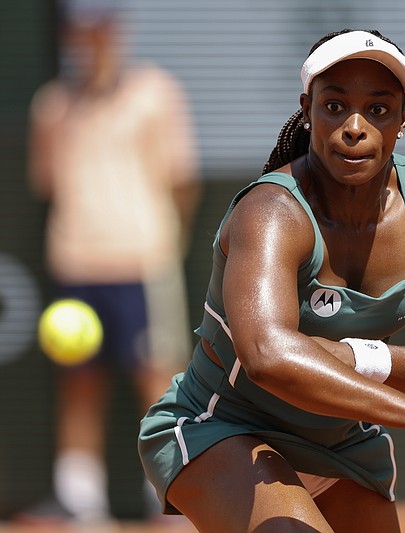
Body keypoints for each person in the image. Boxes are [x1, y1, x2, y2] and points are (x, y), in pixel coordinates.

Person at [138, 28, 405, 532]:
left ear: (403, 119)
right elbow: (268, 357)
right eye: (335, 106)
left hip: (343, 445)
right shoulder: (270, 211)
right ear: (307, 109)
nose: (354, 127)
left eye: (378, 109)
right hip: (222, 426)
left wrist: (359, 357)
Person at [25, 0, 200, 523]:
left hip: (141, 261)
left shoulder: (156, 93)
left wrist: (165, 240)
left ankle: (171, 492)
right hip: (76, 262)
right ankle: (79, 499)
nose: (91, 41)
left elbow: (182, 179)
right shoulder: (51, 106)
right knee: (79, 382)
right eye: (82, 31)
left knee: (156, 380)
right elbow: (46, 181)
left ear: (117, 31)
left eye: (100, 29)